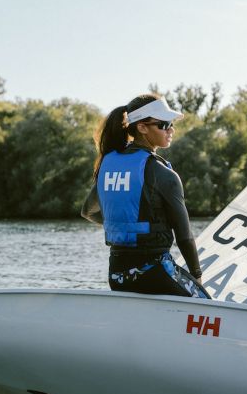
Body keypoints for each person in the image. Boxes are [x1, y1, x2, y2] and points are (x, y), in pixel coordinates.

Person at [81, 93, 210, 298]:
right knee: (204, 300)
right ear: (142, 127)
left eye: (171, 124)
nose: (171, 129)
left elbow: (87, 212)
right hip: (155, 274)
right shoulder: (163, 174)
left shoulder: (109, 165)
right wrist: (197, 277)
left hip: (117, 276)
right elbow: (184, 237)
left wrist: (123, 226)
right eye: (163, 124)